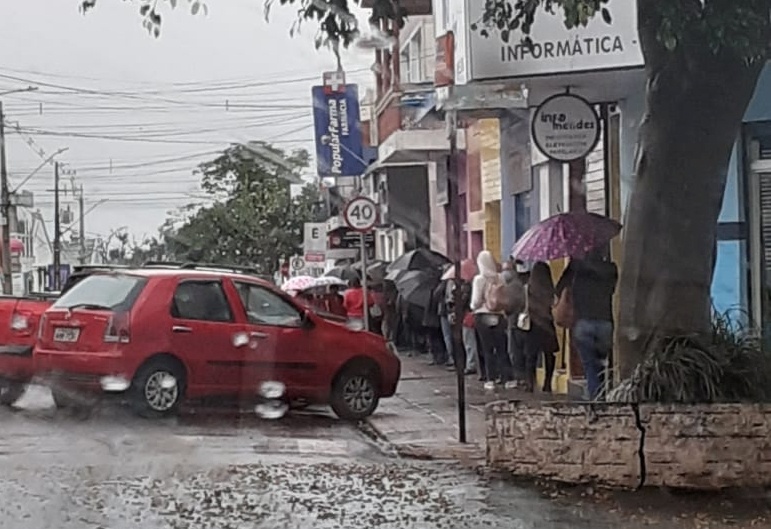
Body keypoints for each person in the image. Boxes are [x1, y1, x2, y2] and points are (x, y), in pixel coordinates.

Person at [556, 247, 618, 400]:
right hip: (605, 322)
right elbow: (612, 289)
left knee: (590, 365)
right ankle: (604, 394)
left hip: (583, 322)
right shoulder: (611, 268)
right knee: (604, 364)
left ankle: (596, 397)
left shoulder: (576, 268)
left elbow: (558, 289)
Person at [470, 250, 514, 390]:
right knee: (502, 348)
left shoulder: (479, 279)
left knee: (487, 349)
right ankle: (507, 378)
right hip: (499, 316)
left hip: (483, 316)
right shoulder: (500, 278)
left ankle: (490, 379)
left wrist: (472, 306)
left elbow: (476, 301)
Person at [521, 262, 559, 392]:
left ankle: (530, 383)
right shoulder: (550, 290)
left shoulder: (527, 288)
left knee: (531, 356)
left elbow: (522, 304)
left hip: (532, 325)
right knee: (549, 354)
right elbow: (554, 305)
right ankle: (547, 382)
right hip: (547, 325)